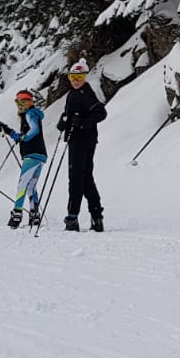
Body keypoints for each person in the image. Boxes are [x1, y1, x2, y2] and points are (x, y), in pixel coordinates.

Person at [56, 60, 107, 232]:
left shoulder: (85, 93)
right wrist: (64, 122)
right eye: (72, 77)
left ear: (85, 77)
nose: (75, 80)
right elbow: (71, 115)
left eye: (79, 77)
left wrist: (82, 123)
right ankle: (96, 216)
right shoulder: (73, 94)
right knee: (85, 178)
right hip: (79, 139)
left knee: (76, 177)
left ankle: (72, 217)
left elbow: (101, 112)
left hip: (82, 140)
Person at [0, 90, 48, 228]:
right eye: (17, 101)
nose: (20, 104)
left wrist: (24, 138)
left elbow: (34, 130)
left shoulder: (30, 113)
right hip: (39, 155)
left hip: (32, 154)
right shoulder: (30, 115)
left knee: (22, 184)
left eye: (23, 101)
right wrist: (8, 131)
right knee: (31, 185)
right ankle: (34, 215)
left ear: (30, 102)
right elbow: (22, 136)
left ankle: (17, 214)